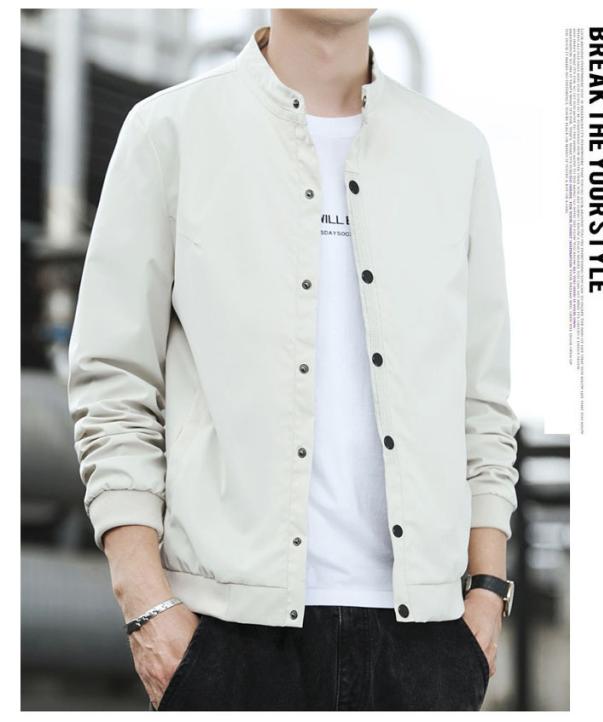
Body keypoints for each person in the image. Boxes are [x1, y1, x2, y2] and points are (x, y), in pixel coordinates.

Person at [67, 8, 519, 712]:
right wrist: (145, 602)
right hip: (225, 634)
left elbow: (482, 403)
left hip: (428, 644)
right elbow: (113, 381)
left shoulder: (456, 153)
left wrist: (486, 595)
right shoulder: (169, 132)